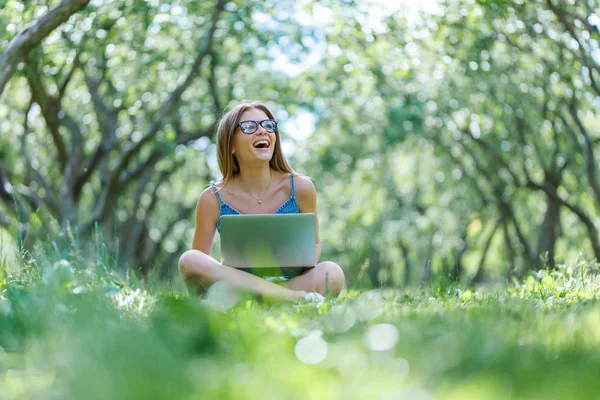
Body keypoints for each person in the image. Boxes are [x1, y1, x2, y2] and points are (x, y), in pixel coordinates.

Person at [178, 101, 345, 302]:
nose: (262, 131)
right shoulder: (211, 198)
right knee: (189, 259)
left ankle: (264, 299)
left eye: (268, 125)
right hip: (239, 287)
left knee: (332, 272)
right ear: (230, 145)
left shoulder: (301, 187)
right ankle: (290, 299)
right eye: (249, 127)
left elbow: (315, 244)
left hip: (288, 283)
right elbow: (200, 262)